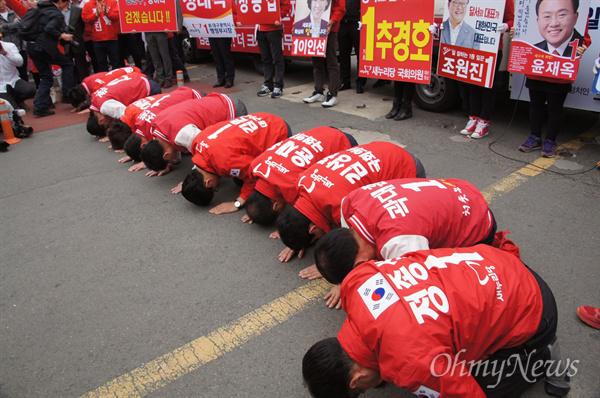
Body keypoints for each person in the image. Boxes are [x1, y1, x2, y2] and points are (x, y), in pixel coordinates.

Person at [303, 244, 567, 398]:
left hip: (534, 308)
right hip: (495, 262)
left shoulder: (412, 366)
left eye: (362, 392)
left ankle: (540, 357)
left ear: (356, 379)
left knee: (484, 385)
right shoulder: (354, 284)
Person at [314, 177, 496, 308]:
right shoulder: (349, 205)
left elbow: (421, 289)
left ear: (360, 264)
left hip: (476, 220)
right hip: (457, 188)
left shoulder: (400, 243)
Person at [275, 141, 426, 266]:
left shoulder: (343, 208)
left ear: (313, 228)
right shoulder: (303, 181)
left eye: (316, 239)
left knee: (393, 218)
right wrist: (296, 237)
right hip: (384, 150)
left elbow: (364, 248)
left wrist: (332, 265)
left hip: (408, 169)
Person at [519, 0, 590, 157]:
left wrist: (582, 47)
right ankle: (534, 136)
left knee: (555, 108)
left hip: (560, 76)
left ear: (575, 17)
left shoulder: (576, 37)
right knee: (535, 106)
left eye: (562, 15)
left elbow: (586, 38)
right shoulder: (533, 44)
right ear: (537, 20)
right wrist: (515, 33)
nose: (554, 23)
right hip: (535, 72)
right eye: (546, 16)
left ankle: (550, 140)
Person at [180, 112, 290, 214]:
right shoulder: (197, 144)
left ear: (208, 182)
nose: (217, 187)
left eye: (215, 188)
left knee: (263, 188)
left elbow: (255, 174)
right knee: (238, 179)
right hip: (261, 117)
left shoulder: (226, 163)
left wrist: (238, 203)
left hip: (279, 132)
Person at [245, 126, 356, 225]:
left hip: (345, 144)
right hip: (323, 130)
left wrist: (290, 226)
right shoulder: (256, 165)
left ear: (276, 205)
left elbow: (313, 213)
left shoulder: (294, 186)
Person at [141, 93, 245, 177]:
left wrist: (193, 178)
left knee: (227, 155)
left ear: (166, 155)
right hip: (214, 100)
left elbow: (207, 151)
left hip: (232, 110)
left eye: (170, 160)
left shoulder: (183, 134)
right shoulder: (156, 127)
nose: (173, 161)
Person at [458, 0, 513, 139]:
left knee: (488, 85)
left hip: (492, 47)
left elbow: (511, 19)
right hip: (472, 45)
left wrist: (506, 26)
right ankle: (473, 117)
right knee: (473, 82)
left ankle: (484, 121)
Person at [107, 86, 201, 152]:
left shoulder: (148, 124)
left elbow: (170, 148)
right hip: (183, 94)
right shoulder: (131, 115)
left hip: (195, 98)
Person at [27, 0, 76, 117]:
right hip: (45, 47)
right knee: (67, 64)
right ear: (60, 2)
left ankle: (40, 106)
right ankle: (68, 94)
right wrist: (62, 35)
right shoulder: (55, 13)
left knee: (46, 77)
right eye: (66, 3)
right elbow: (49, 29)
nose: (66, 6)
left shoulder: (37, 9)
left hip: (32, 46)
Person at [88, 72, 160, 138]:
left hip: (148, 87)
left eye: (108, 126)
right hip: (138, 77)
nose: (110, 125)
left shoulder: (105, 106)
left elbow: (128, 117)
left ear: (101, 121)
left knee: (149, 118)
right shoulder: (94, 98)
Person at [301, 0, 345, 108]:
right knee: (316, 62)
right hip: (313, 28)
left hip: (329, 28)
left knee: (331, 62)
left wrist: (332, 20)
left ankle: (332, 94)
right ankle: (318, 91)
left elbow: (340, 8)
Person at [255, 0, 290, 99]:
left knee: (277, 59)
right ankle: (268, 85)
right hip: (260, 29)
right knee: (265, 59)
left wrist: (279, 16)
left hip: (274, 29)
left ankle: (278, 86)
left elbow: (286, 5)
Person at [67, 65, 141, 110]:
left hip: (135, 76)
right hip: (131, 70)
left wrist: (85, 105)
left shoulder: (96, 88)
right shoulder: (86, 81)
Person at [81, 0, 120, 72]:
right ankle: (104, 81)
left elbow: (117, 16)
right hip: (97, 40)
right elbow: (85, 19)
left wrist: (107, 12)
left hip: (112, 38)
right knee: (101, 63)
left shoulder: (112, 2)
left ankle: (116, 79)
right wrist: (96, 14)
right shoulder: (88, 4)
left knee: (115, 62)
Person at [337, 0, 365, 93]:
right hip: (342, 22)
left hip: (357, 22)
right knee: (343, 54)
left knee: (360, 53)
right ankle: (345, 81)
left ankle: (360, 82)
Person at [0, 32, 35, 109]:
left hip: (13, 80)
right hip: (1, 86)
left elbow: (20, 63)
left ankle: (17, 100)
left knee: (30, 90)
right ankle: (13, 102)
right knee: (10, 108)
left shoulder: (10, 46)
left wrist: (6, 53)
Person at [63, 0, 88, 82]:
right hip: (63, 45)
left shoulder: (78, 10)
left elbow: (83, 26)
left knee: (82, 68)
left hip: (77, 43)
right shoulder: (55, 11)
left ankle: (84, 87)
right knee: (68, 69)